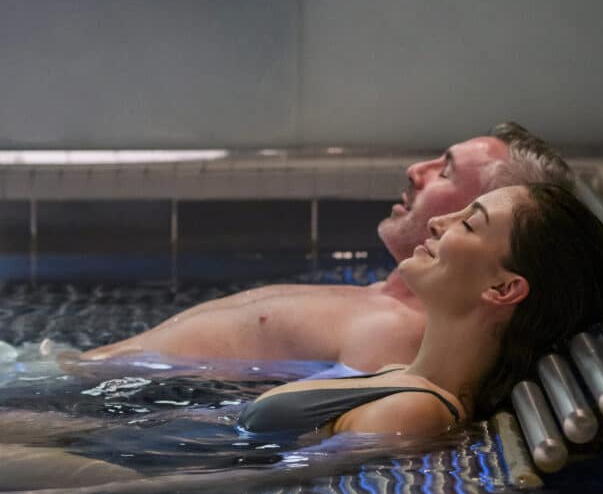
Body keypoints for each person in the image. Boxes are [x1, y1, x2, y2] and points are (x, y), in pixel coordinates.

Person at [0, 182, 603, 494]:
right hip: (130, 441)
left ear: (503, 289)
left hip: (130, 469)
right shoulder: (405, 379)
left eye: (471, 222)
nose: (440, 220)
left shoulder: (414, 410)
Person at [81, 124, 574, 372]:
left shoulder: (396, 334)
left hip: (106, 410)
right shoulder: (383, 299)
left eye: (444, 172)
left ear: (480, 213)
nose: (415, 171)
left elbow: (309, 434)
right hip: (89, 379)